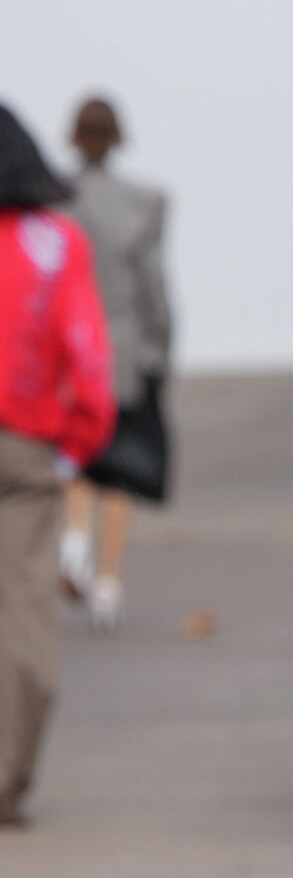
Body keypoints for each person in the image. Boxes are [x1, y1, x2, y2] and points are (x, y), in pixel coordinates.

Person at [0, 104, 114, 825]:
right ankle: (8, 776)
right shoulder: (54, 243)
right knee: (25, 620)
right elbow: (91, 361)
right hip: (24, 449)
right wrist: (75, 446)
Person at [59, 97, 172, 631]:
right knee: (122, 470)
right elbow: (153, 289)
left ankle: (73, 540)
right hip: (122, 350)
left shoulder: (53, 203)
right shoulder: (140, 203)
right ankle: (107, 585)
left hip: (66, 352)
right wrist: (160, 350)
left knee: (77, 457)